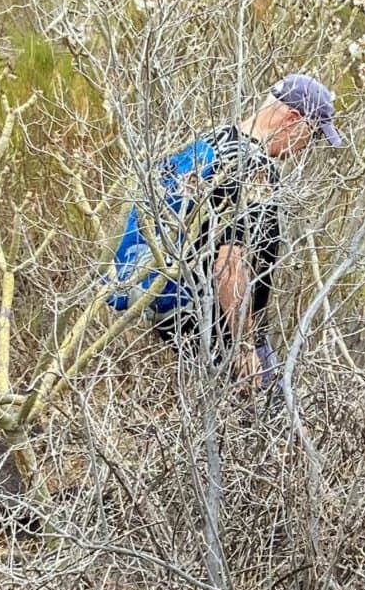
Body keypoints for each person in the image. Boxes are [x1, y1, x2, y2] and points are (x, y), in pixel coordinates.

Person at [109, 74, 344, 389]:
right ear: (291, 119)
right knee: (261, 413)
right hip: (214, 320)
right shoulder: (253, 169)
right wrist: (244, 346)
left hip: (176, 307)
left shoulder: (212, 142)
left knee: (211, 412)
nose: (305, 147)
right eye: (312, 134)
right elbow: (229, 264)